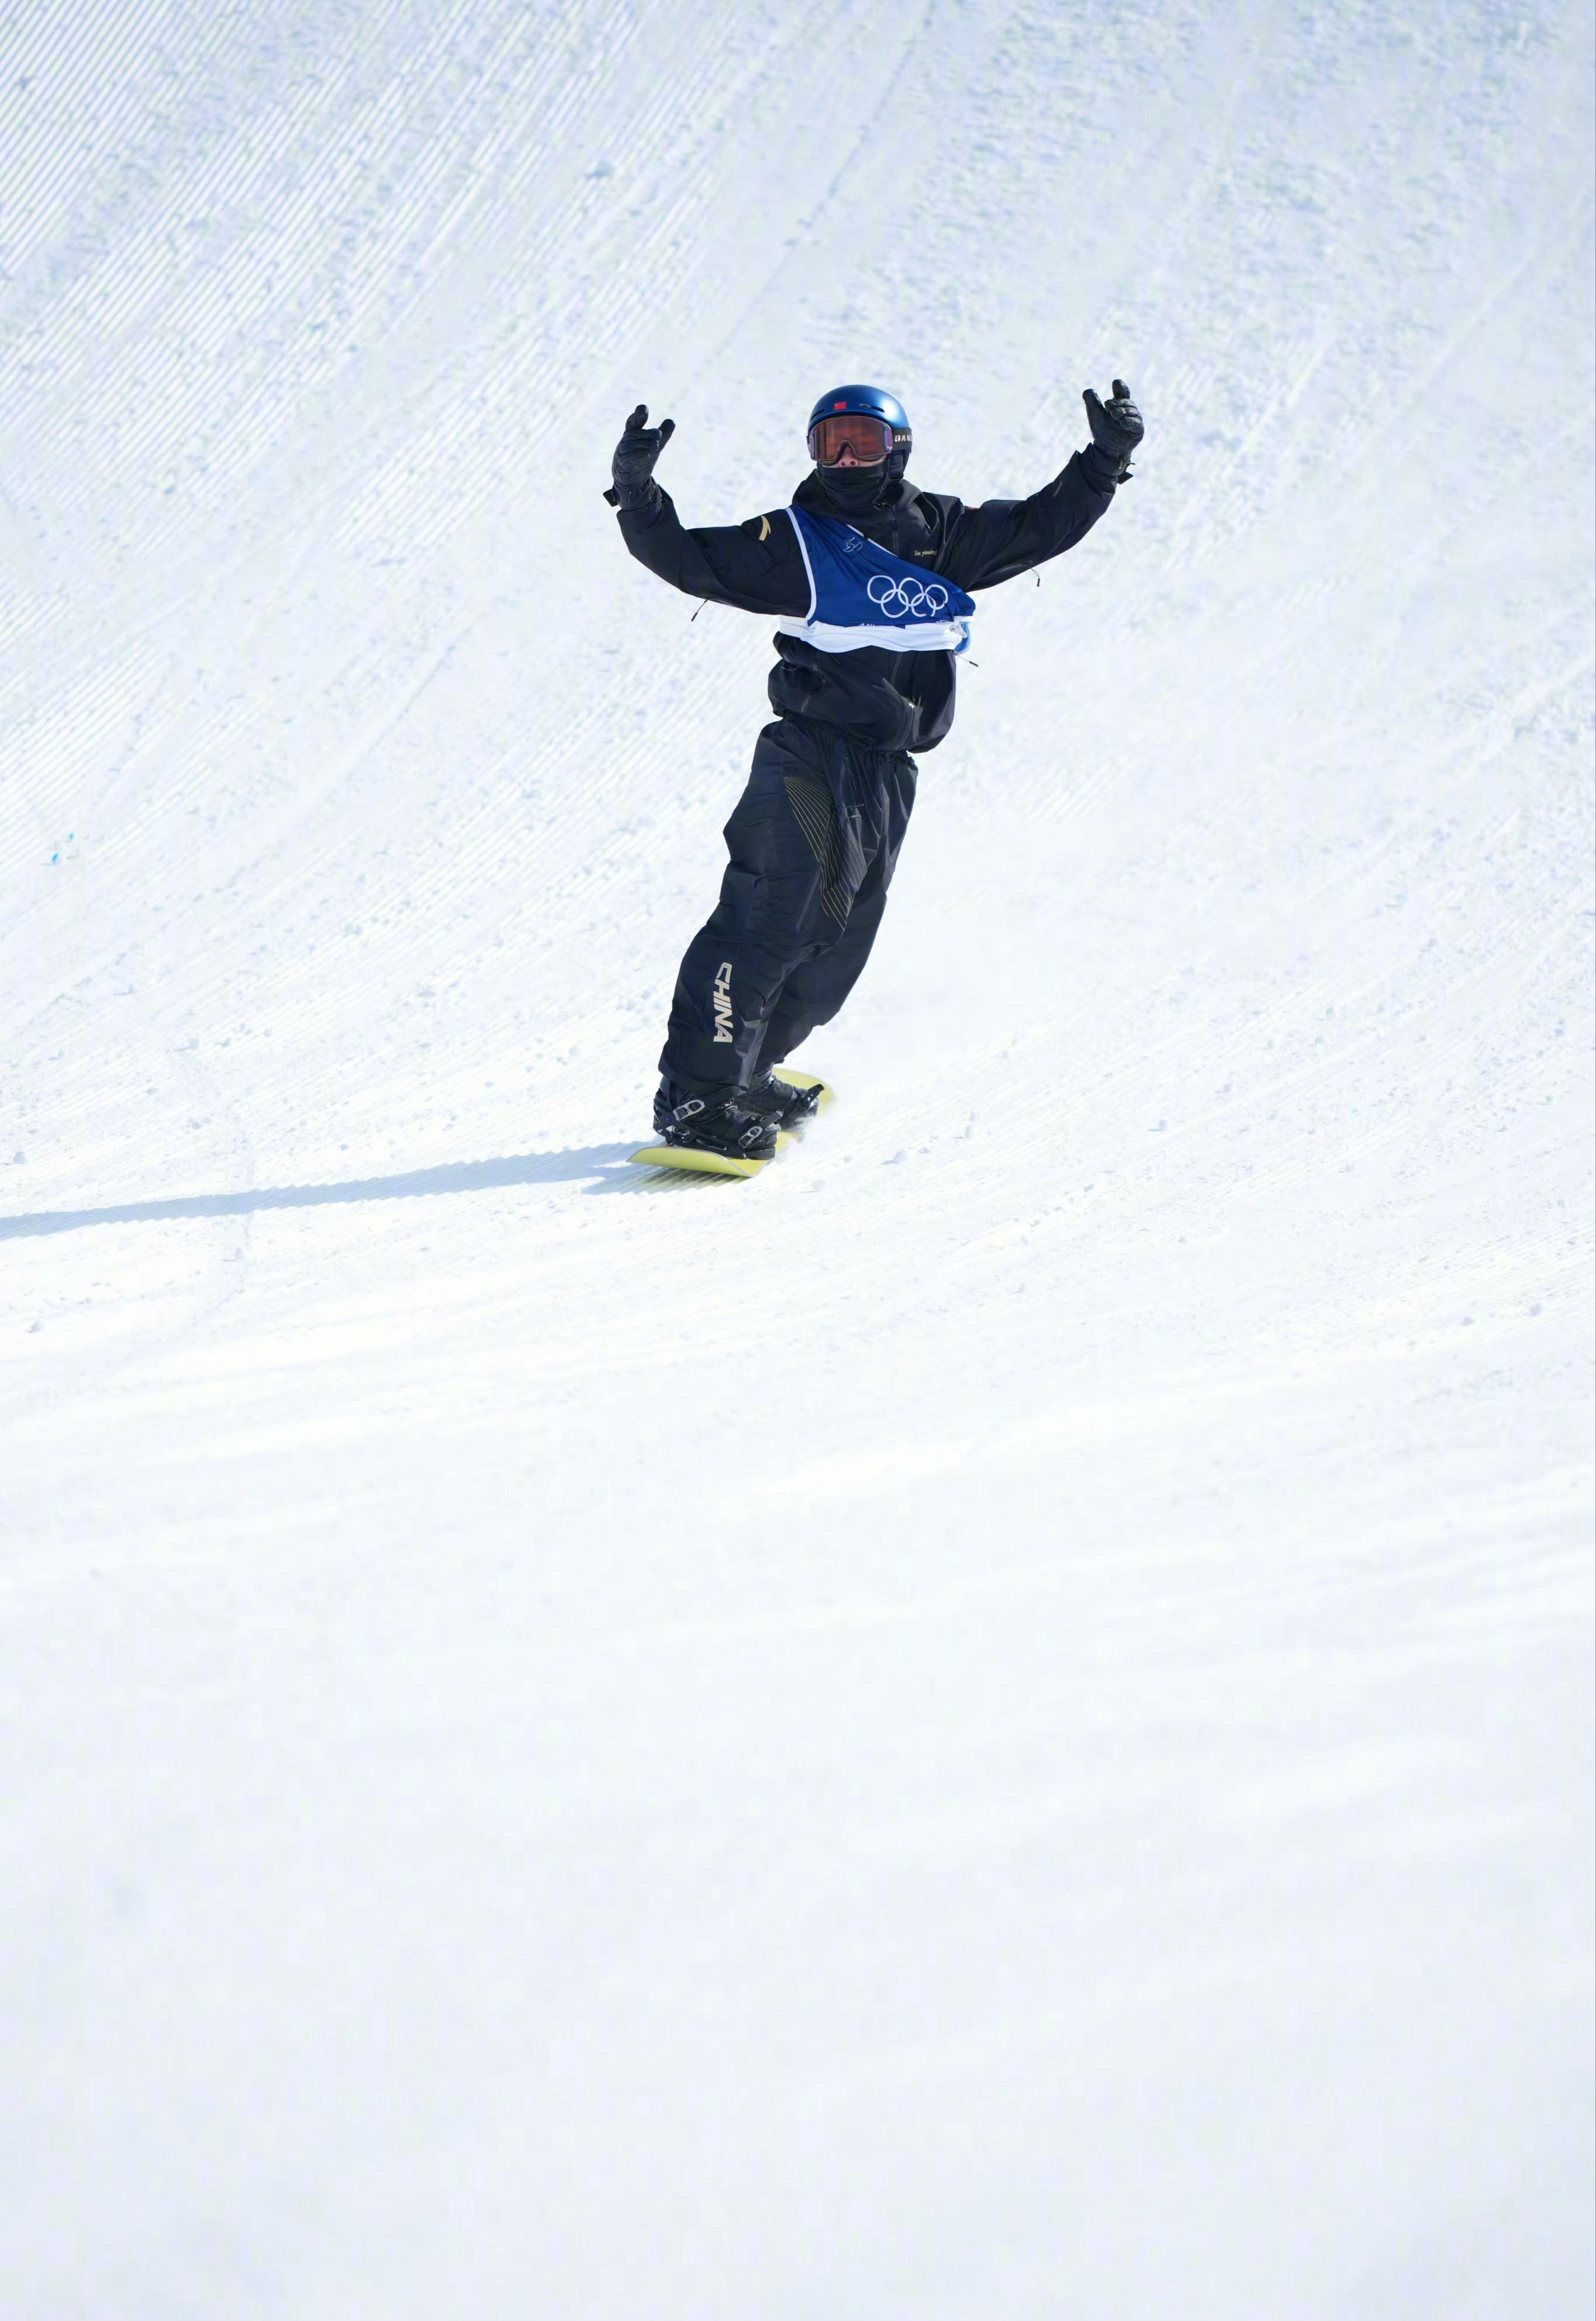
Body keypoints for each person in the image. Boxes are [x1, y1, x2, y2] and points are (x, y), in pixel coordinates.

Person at [606, 377, 1145, 1159]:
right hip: (807, 751)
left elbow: (1039, 525)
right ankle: (696, 1095)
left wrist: (1103, 461)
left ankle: (748, 1071)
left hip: (888, 768)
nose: (848, 459)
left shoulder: (940, 532)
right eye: (831, 445)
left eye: (863, 441)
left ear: (898, 449)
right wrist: (637, 492)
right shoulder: (794, 540)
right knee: (770, 915)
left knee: (837, 941)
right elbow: (687, 559)